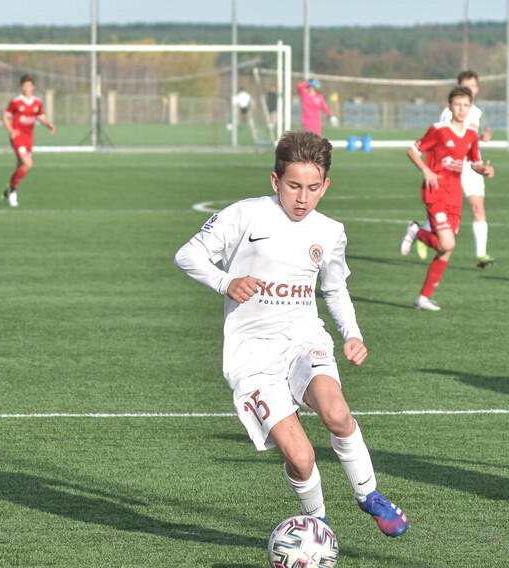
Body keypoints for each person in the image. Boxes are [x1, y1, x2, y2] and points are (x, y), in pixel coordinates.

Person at [173, 130, 408, 537]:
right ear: (275, 181)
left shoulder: (330, 231)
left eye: (313, 188)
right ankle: (317, 521)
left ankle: (368, 494)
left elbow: (334, 288)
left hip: (304, 339)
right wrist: (224, 281)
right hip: (251, 355)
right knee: (300, 457)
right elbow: (187, 254)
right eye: (294, 186)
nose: (303, 198)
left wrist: (352, 333)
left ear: (326, 186)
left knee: (336, 412)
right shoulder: (245, 215)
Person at [398, 86, 495, 311]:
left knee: (446, 250)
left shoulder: (471, 135)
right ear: (449, 107)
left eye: (466, 106)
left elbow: (475, 162)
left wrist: (484, 171)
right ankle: (416, 231)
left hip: (455, 196)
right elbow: (413, 150)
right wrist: (426, 170)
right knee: (447, 243)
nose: (461, 109)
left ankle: (422, 297)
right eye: (457, 105)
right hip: (436, 192)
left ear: (470, 108)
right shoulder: (439, 130)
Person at [409, 70, 495, 267]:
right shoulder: (449, 112)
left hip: (471, 164)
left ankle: (481, 255)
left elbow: (468, 137)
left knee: (478, 207)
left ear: (477, 89)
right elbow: (446, 138)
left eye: (472, 86)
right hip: (449, 169)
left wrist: (481, 140)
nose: (469, 90)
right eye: (465, 86)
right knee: (443, 215)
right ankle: (424, 234)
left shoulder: (476, 111)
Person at [1, 74, 54, 207]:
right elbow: (5, 116)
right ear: (21, 87)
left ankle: (8, 192)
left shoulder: (37, 102)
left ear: (33, 87)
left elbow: (41, 117)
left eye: (29, 86)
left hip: (29, 138)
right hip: (18, 137)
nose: (27, 88)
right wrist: (11, 130)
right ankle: (12, 191)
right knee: (28, 163)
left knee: (21, 166)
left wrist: (48, 124)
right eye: (25, 86)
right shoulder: (16, 102)